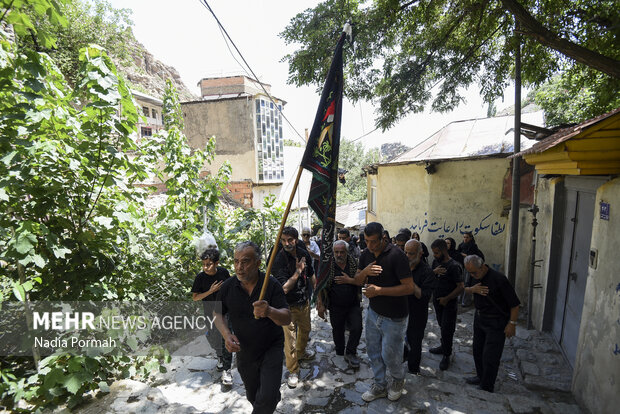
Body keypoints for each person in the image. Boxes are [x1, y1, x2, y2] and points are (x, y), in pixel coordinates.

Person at [214, 242, 291, 414]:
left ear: (258, 263)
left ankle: (269, 400)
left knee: (268, 396)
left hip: (271, 347)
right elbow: (217, 314)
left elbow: (287, 318)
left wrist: (269, 311)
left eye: (245, 261)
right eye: (236, 262)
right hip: (245, 350)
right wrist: (227, 335)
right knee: (253, 395)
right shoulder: (228, 287)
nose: (239, 267)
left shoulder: (271, 285)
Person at [354, 222, 413, 402]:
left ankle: (397, 380)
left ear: (383, 238)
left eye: (373, 242)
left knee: (390, 355)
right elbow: (357, 280)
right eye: (366, 241)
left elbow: (409, 288)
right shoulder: (365, 255)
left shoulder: (397, 256)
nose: (370, 246)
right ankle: (379, 385)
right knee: (373, 351)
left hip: (395, 317)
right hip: (373, 313)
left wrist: (379, 291)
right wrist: (365, 271)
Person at [463, 255, 520, 393]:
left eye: (474, 272)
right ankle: (480, 376)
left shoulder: (499, 279)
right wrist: (472, 290)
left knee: (490, 356)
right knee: (477, 350)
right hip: (480, 318)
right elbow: (463, 288)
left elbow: (515, 304)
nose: (472, 275)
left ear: (482, 267)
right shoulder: (473, 275)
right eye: (469, 273)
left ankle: (487, 386)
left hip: (496, 322)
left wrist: (511, 324)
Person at [272, 226, 316, 388]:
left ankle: (302, 353)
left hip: (303, 300)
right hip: (286, 306)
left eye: (289, 240)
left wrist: (317, 294)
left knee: (306, 330)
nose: (286, 243)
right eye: (283, 240)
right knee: (289, 340)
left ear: (296, 240)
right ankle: (293, 370)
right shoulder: (279, 260)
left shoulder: (303, 253)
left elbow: (311, 274)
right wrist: (297, 272)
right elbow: (283, 288)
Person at [316, 240, 363, 368]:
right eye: (336, 252)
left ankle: (351, 352)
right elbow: (319, 284)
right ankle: (340, 350)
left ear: (347, 252)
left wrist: (349, 280)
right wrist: (320, 303)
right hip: (335, 305)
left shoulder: (354, 263)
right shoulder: (328, 266)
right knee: (338, 329)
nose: (339, 255)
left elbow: (361, 281)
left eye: (342, 252)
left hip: (353, 303)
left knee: (357, 327)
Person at [191, 248, 233, 385]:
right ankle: (220, 356)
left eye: (208, 264)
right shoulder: (200, 278)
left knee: (225, 337)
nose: (205, 267)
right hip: (209, 312)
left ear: (216, 263)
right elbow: (195, 297)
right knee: (213, 337)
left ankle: (227, 370)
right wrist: (210, 291)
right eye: (203, 264)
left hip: (224, 311)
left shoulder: (223, 272)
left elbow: (231, 288)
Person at [429, 238, 464, 371]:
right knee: (441, 325)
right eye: (433, 252)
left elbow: (461, 287)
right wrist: (434, 272)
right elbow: (429, 278)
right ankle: (443, 346)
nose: (435, 255)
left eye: (437, 252)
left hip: (448, 303)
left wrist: (447, 298)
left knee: (447, 329)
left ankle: (447, 355)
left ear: (444, 251)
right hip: (437, 302)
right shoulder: (435, 263)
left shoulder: (454, 266)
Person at [403, 239, 436, 375]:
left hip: (417, 314)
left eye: (410, 254)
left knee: (415, 343)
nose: (407, 256)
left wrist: (410, 283)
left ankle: (413, 371)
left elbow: (424, 297)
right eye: (405, 252)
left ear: (420, 254)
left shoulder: (427, 272)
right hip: (399, 312)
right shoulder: (402, 265)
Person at [457, 232, 484, 306]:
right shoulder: (461, 245)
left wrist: (465, 255)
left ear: (470, 238)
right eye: (464, 237)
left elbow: (474, 257)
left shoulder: (473, 246)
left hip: (470, 268)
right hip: (462, 266)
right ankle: (460, 299)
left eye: (467, 237)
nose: (465, 239)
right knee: (461, 283)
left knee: (467, 283)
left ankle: (466, 301)